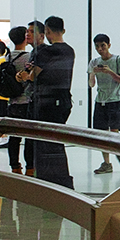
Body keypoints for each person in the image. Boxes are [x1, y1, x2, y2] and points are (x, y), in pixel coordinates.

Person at [24, 16, 77, 188]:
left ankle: (48, 180)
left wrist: (24, 76)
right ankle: (63, 180)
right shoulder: (70, 51)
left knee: (44, 143)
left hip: (45, 102)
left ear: (46, 31)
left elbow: (34, 76)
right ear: (63, 30)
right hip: (63, 101)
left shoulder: (45, 52)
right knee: (57, 141)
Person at [88, 34, 120, 175]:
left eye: (103, 46)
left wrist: (110, 72)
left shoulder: (118, 59)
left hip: (115, 100)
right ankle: (106, 163)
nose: (100, 49)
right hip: (100, 100)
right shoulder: (94, 62)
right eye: (97, 46)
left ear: (109, 45)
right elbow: (91, 84)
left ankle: (119, 153)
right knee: (101, 134)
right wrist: (92, 73)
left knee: (114, 131)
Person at [0, 26, 34, 174]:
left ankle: (15, 166)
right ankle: (30, 167)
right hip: (27, 102)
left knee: (14, 138)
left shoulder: (8, 57)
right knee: (29, 138)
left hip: (12, 102)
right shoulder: (29, 57)